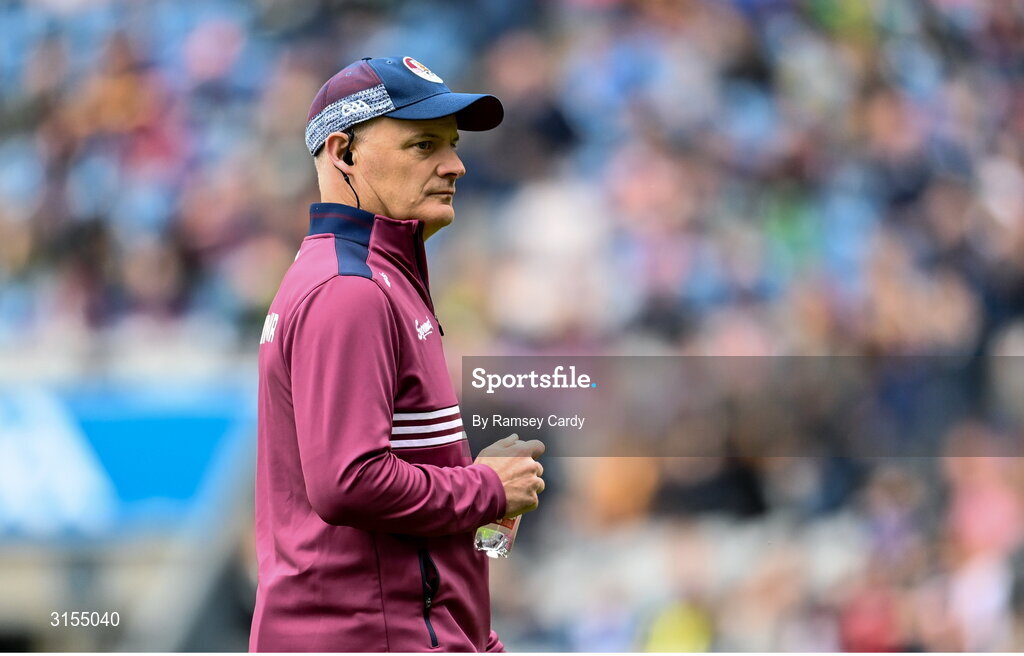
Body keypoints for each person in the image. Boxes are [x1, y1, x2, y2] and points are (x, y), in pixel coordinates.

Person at [250, 56, 546, 652]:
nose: (455, 164)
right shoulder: (349, 289)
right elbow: (348, 482)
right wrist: (485, 488)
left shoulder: (377, 277)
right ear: (344, 154)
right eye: (423, 144)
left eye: (453, 144)